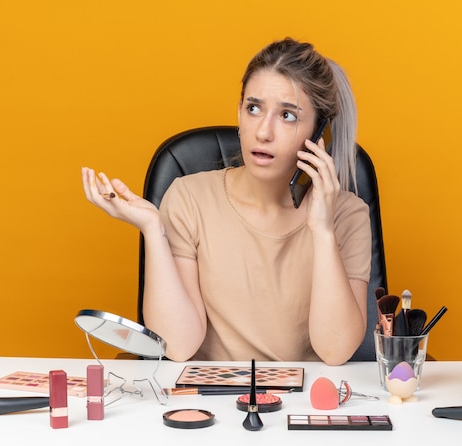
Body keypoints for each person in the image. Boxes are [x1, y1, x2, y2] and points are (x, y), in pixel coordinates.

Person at [81, 37, 371, 365]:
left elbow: (336, 352)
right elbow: (177, 346)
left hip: (302, 404)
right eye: (253, 108)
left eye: (288, 115)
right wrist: (152, 230)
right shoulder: (189, 198)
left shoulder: (348, 215)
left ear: (321, 133)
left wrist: (322, 229)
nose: (263, 131)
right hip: (210, 400)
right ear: (239, 111)